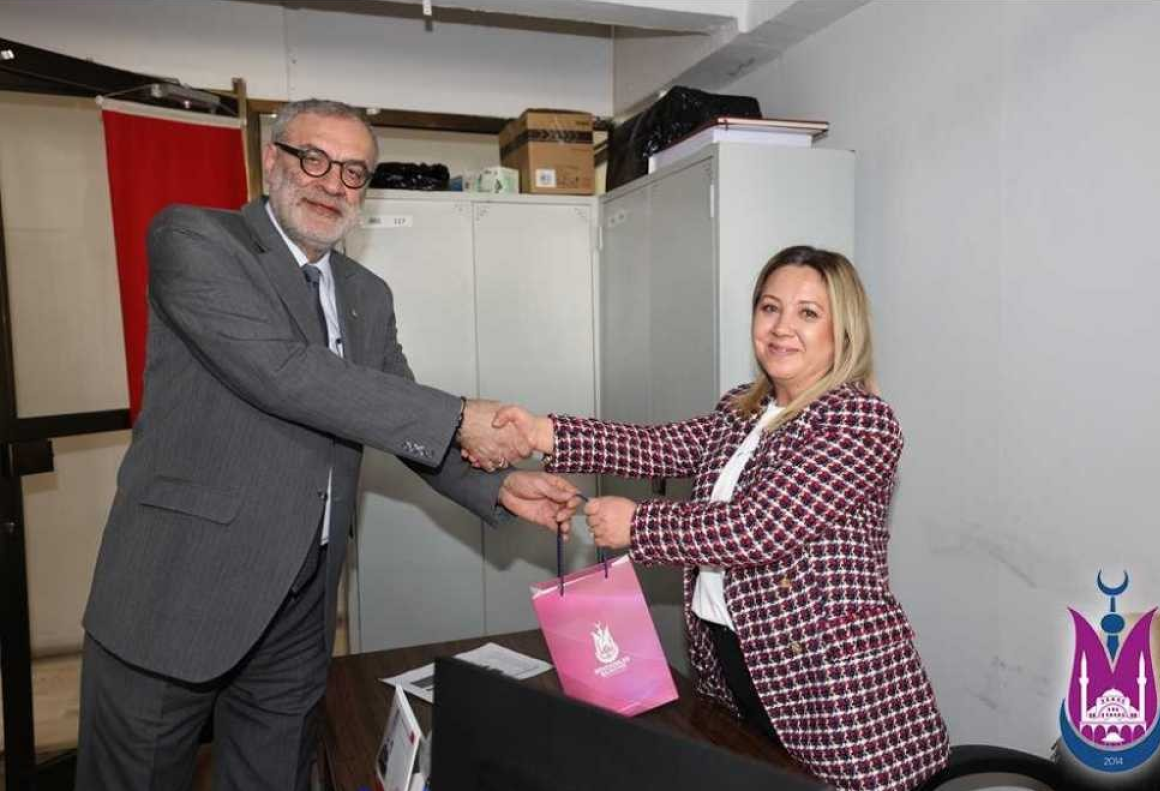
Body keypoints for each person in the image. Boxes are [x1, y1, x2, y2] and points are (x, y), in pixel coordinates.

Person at [76, 98, 579, 791]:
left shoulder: (367, 294)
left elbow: (395, 414)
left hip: (300, 602)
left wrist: (497, 484)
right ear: (272, 159)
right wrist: (463, 414)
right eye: (314, 159)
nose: (331, 183)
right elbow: (284, 373)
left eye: (353, 171)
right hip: (178, 594)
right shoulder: (195, 239)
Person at [494, 246, 950, 791]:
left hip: (830, 688)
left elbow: (760, 527)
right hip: (735, 666)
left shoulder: (860, 421)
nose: (781, 328)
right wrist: (542, 433)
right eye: (769, 307)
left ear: (843, 332)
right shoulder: (743, 408)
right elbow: (659, 447)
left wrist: (638, 525)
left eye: (808, 313)